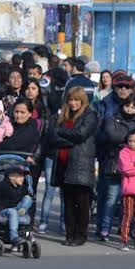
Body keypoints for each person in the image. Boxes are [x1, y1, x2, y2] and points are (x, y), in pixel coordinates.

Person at [94, 95, 135, 242]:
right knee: (111, 199)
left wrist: (124, 141)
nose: (129, 109)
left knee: (131, 203)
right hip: (114, 165)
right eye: (127, 106)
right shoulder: (113, 118)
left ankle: (130, 230)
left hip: (134, 171)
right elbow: (111, 135)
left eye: (133, 107)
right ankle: (104, 229)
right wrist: (131, 140)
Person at [49, 88, 100, 246]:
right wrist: (67, 138)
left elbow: (81, 134)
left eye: (76, 100)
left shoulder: (90, 115)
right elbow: (52, 136)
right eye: (70, 100)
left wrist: (61, 132)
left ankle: (80, 235)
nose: (73, 103)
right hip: (63, 164)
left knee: (82, 202)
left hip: (80, 163)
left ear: (83, 101)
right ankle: (70, 234)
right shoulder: (62, 115)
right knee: (68, 202)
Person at [0, 166, 33, 246]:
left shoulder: (23, 188)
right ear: (11, 177)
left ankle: (22, 210)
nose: (22, 178)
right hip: (3, 210)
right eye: (19, 176)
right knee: (12, 212)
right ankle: (14, 237)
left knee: (28, 198)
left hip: (18, 208)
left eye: (23, 176)